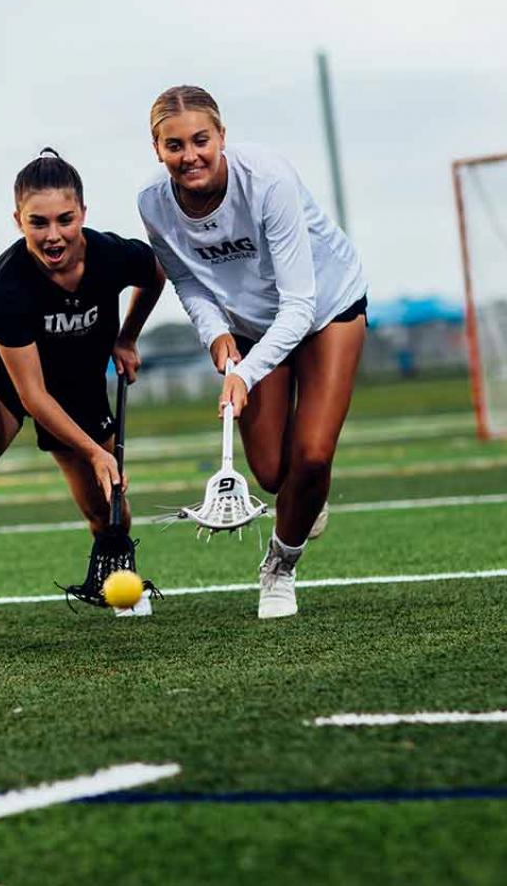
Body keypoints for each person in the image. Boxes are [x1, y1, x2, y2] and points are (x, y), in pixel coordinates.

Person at [0, 149, 166, 656]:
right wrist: (95, 450)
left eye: (64, 220)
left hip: (76, 380)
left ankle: (117, 569)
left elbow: (155, 274)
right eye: (37, 222)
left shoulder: (114, 255)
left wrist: (126, 337)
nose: (53, 235)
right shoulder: (7, 282)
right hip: (3, 377)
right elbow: (31, 395)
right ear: (18, 221)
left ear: (83, 214)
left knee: (106, 509)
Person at [137, 86, 366, 621]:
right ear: (157, 148)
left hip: (326, 304)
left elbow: (300, 304)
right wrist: (215, 335)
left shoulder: (266, 180)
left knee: (311, 455)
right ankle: (305, 497)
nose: (189, 155)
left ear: (221, 137)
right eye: (175, 145)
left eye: (200, 140)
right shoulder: (152, 203)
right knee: (269, 471)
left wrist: (248, 372)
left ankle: (280, 568)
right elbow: (188, 282)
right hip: (247, 319)